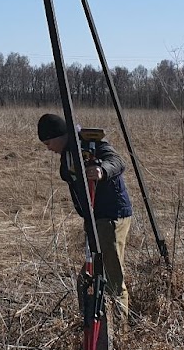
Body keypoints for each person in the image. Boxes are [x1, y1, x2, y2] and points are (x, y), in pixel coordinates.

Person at [39, 112, 132, 319]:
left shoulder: (90, 142)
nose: (48, 149)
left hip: (111, 217)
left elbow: (117, 161)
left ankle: (120, 333)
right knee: (87, 280)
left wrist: (101, 170)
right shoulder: (68, 152)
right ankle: (89, 323)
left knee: (112, 279)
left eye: (48, 143)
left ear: (58, 136)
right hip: (95, 220)